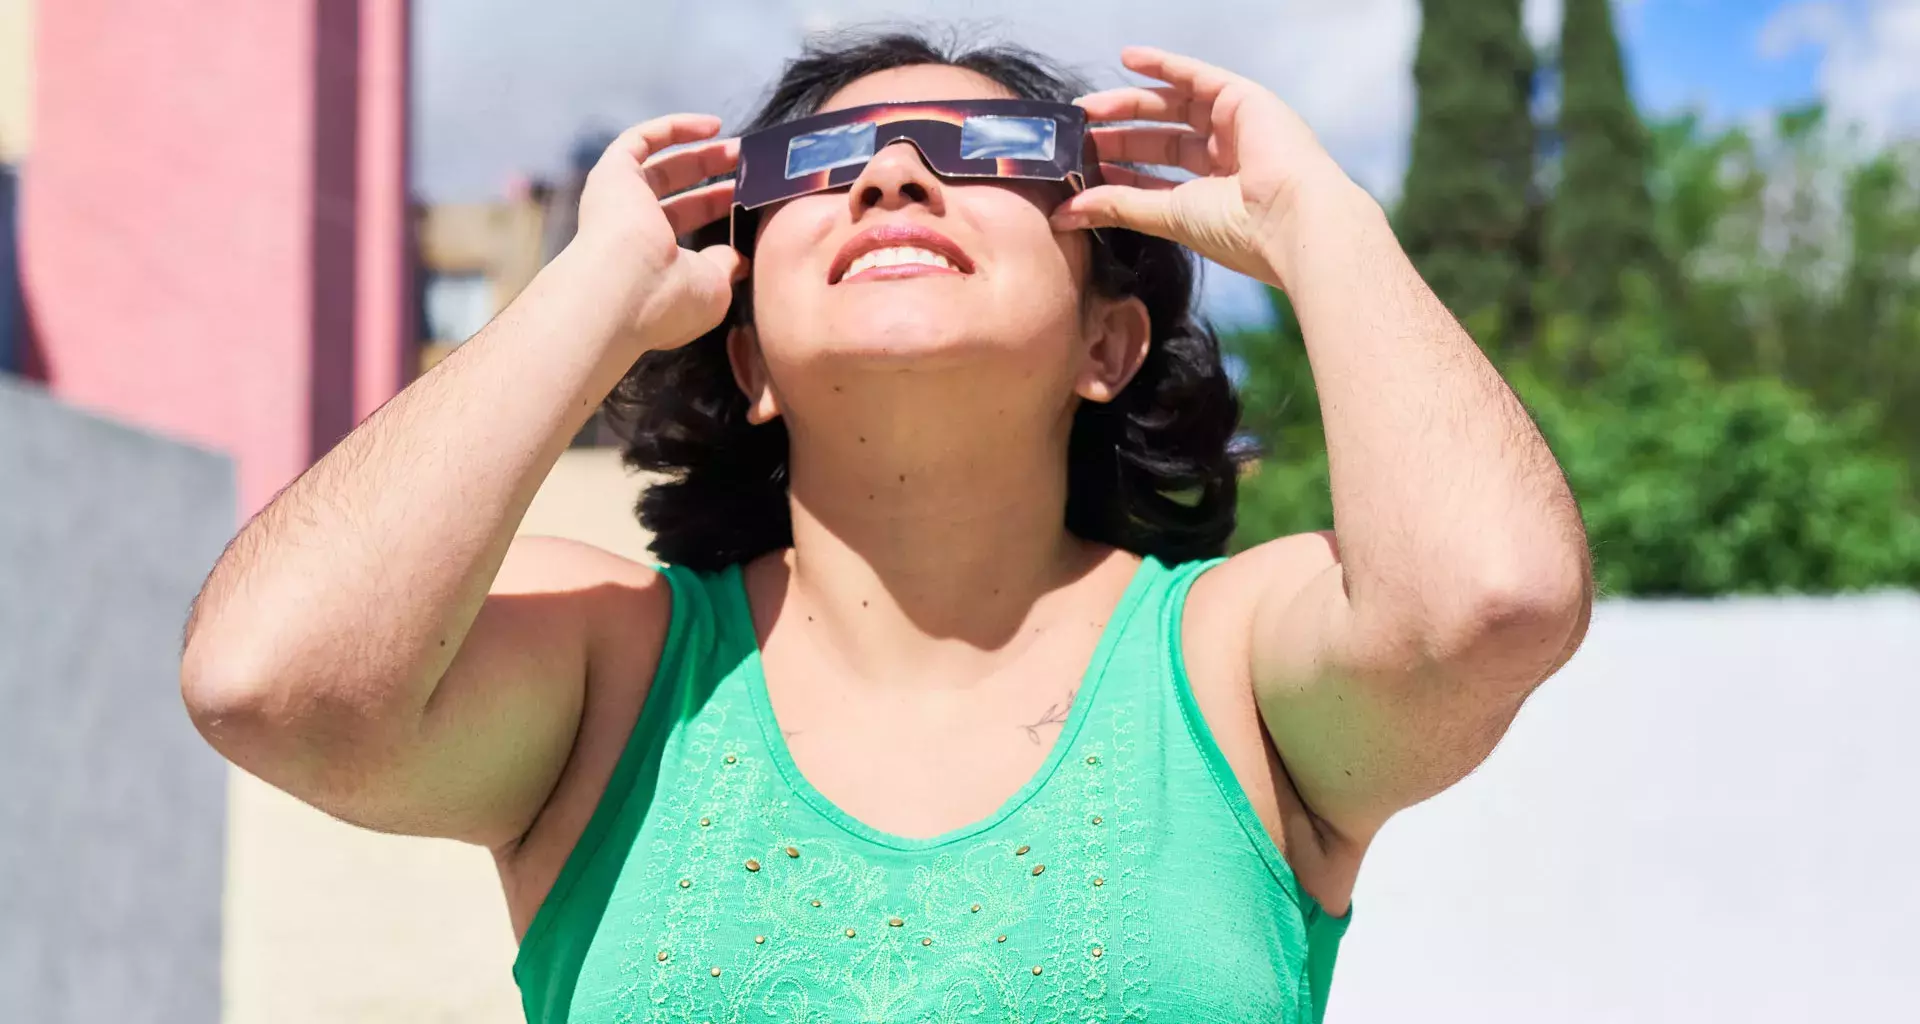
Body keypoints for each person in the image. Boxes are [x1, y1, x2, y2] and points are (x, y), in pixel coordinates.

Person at [180, 28, 1592, 1024]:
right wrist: (588, 290)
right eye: (817, 164)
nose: (894, 178)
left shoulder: (1230, 660)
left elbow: (1490, 603)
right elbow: (271, 683)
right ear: (747, 363)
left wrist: (1320, 219)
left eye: (987, 153)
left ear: (1109, 342)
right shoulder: (613, 674)